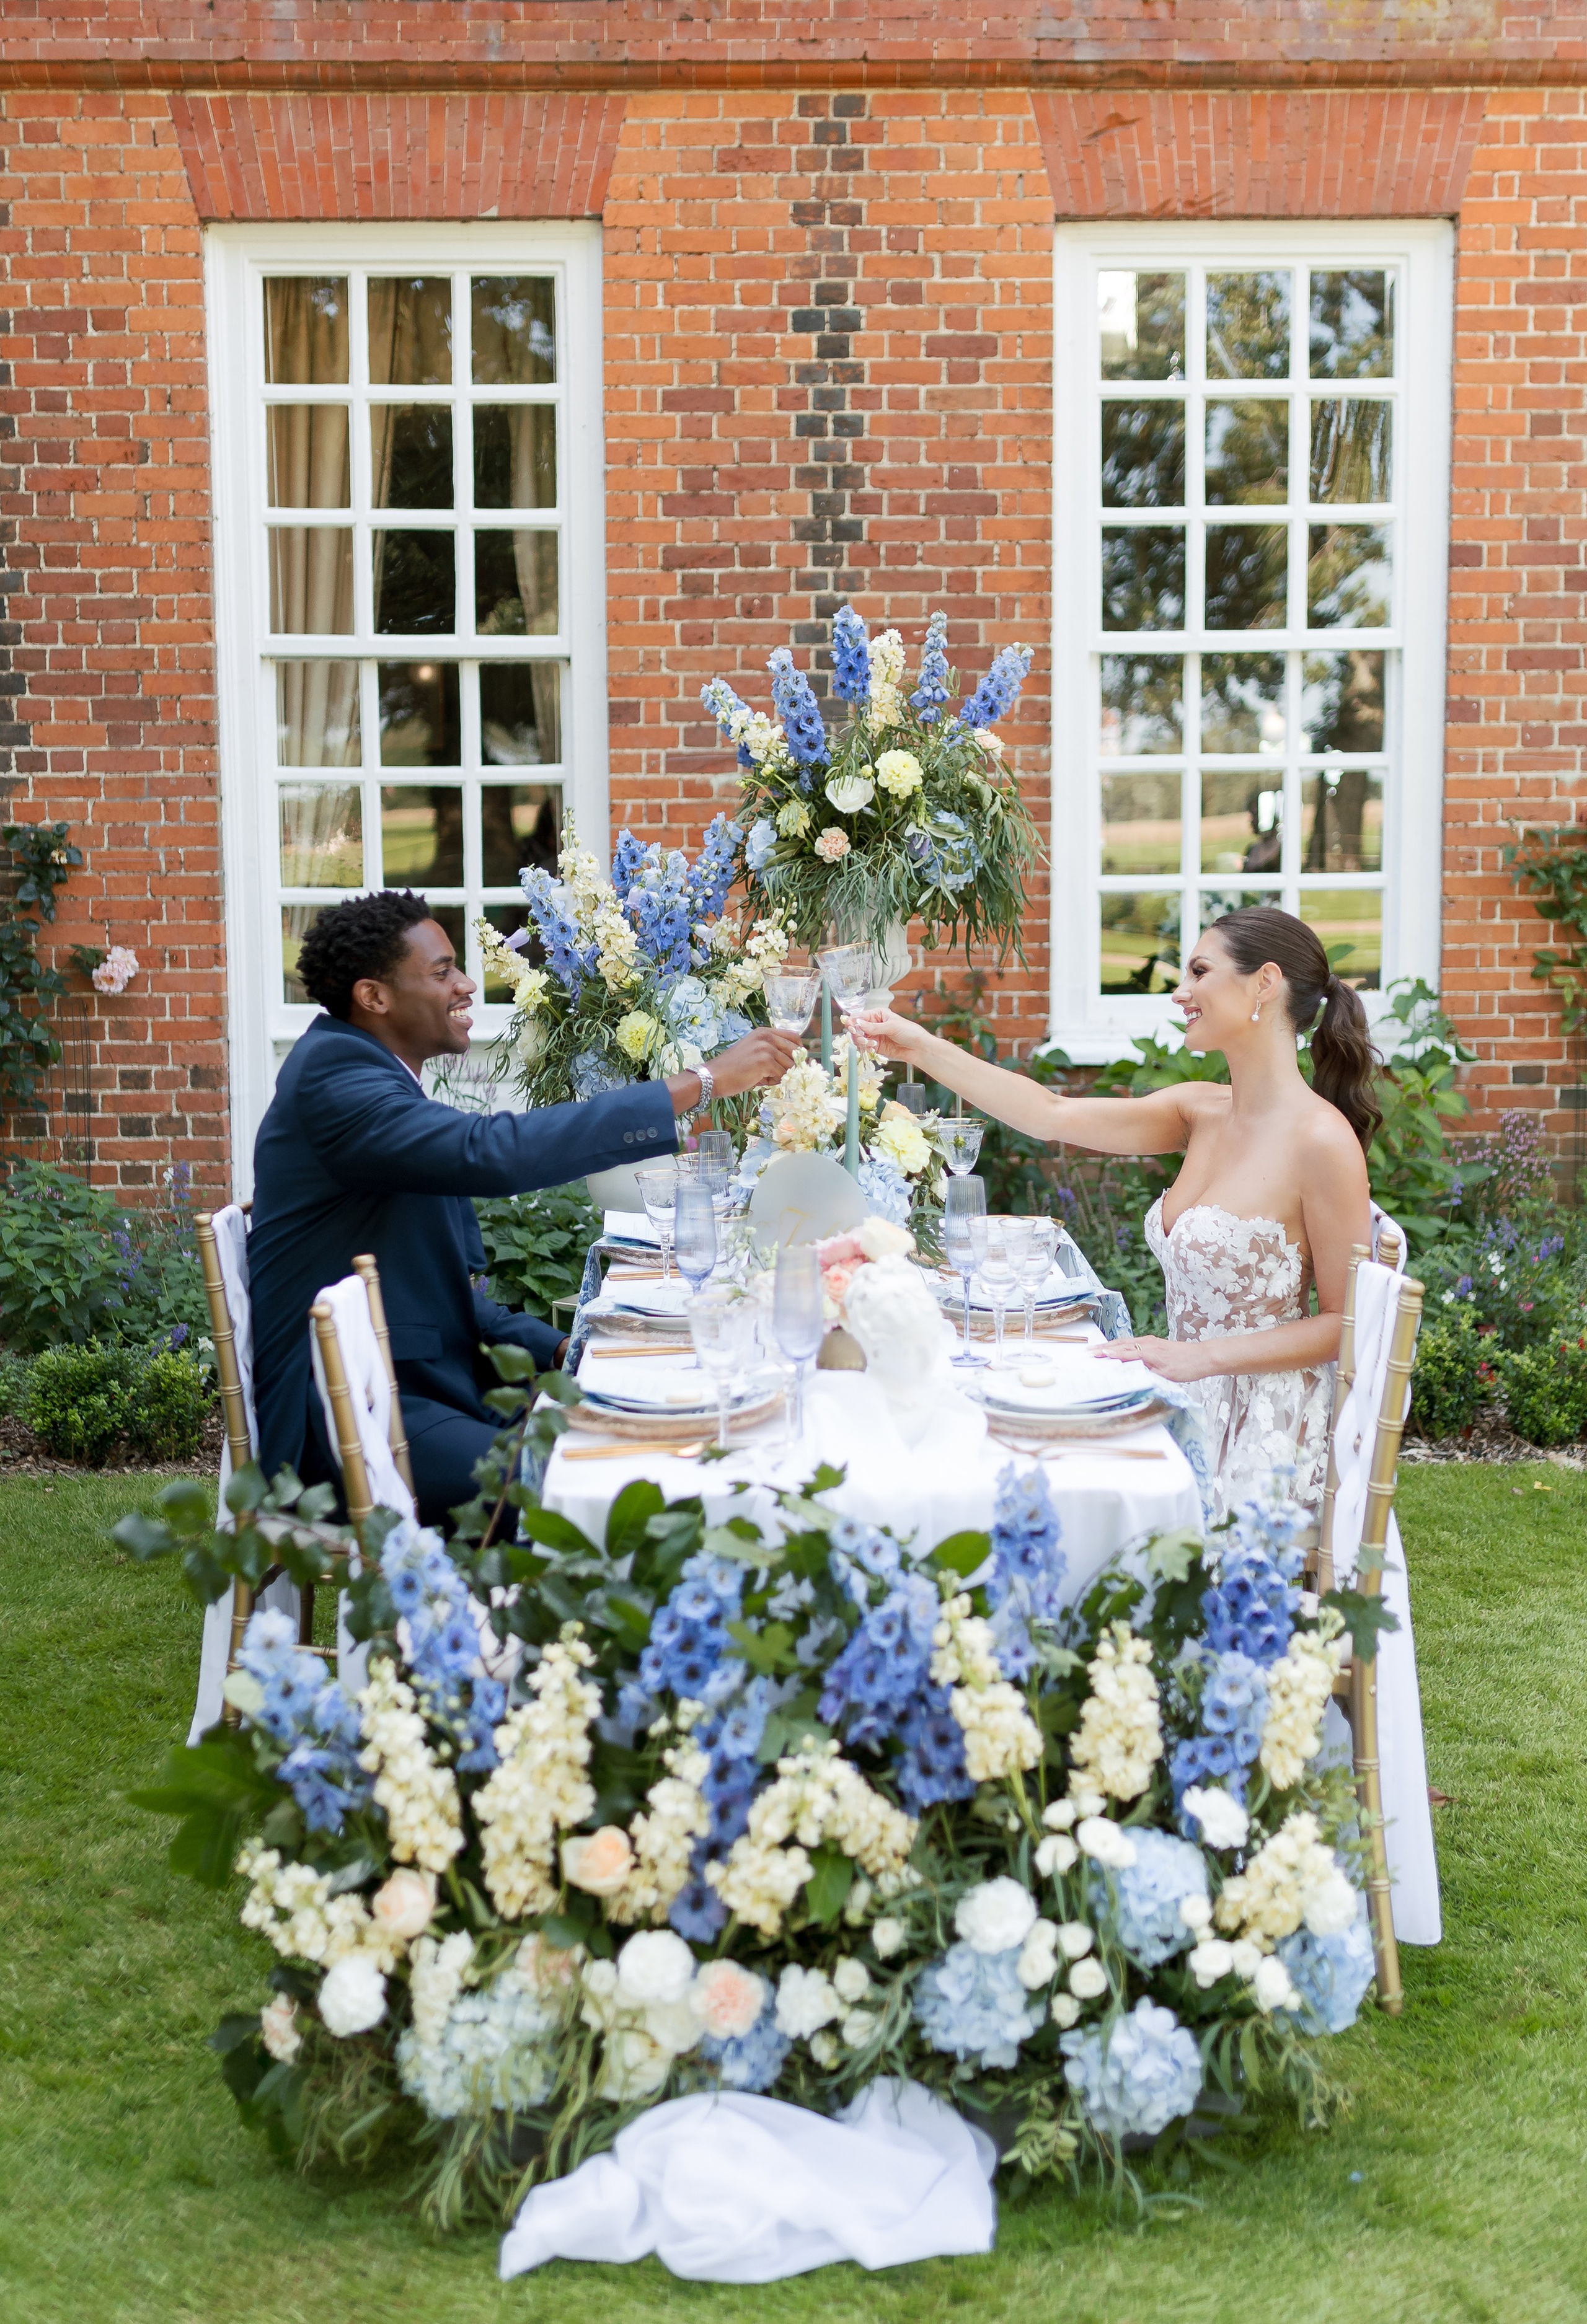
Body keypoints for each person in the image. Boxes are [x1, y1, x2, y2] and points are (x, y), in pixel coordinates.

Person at [250, 890, 800, 1528]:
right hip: (350, 1419)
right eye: (441, 972)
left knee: (655, 1446)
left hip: (407, 1382)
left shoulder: (362, 1071)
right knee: (603, 1495)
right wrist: (699, 1083)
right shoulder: (337, 1082)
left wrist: (573, 1347)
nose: (465, 985)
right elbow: (493, 1154)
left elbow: (432, 1293)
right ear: (373, 997)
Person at [852, 906, 1378, 1518]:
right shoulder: (1200, 1110)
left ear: (1264, 983)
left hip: (1263, 1436)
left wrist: (1198, 1358)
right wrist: (919, 1046)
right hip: (1178, 1388)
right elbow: (1051, 1114)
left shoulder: (1321, 1141)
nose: (1181, 992)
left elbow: (1348, 1325)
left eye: (1199, 972)